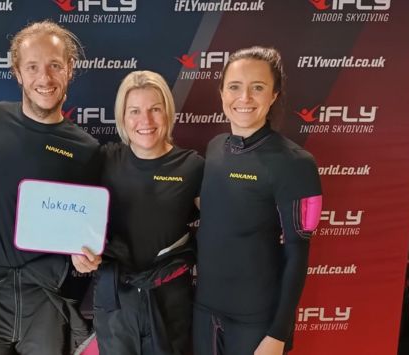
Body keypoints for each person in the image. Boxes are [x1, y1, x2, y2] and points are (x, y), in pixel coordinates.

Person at [0, 20, 102, 355]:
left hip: (47, 302)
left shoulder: (87, 149)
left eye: (54, 65)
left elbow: (87, 229)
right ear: (17, 72)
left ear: (70, 69)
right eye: (33, 67)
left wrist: (87, 256)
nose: (45, 78)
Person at [193, 46, 323, 355]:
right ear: (222, 91)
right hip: (205, 312)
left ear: (275, 94)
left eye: (258, 88)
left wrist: (278, 333)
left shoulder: (296, 163)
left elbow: (298, 252)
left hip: (256, 322)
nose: (245, 98)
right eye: (235, 87)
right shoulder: (214, 147)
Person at [91, 70, 204, 355]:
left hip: (170, 302)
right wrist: (76, 252)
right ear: (123, 117)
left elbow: (221, 230)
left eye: (155, 109)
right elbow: (73, 215)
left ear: (167, 112)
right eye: (135, 111)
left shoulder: (192, 167)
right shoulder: (104, 160)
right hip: (116, 301)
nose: (146, 121)